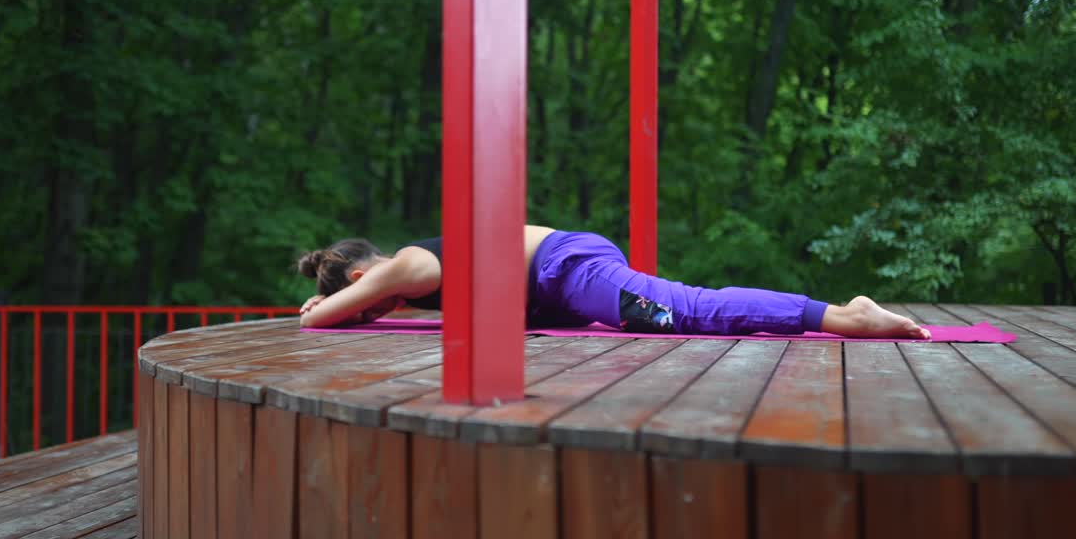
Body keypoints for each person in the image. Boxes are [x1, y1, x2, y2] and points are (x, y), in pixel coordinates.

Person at [297, 225, 931, 339]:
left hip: (565, 270)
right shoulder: (413, 284)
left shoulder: (406, 264)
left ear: (360, 276)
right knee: (684, 312)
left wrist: (329, 307)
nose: (375, 312)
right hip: (558, 290)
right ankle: (842, 312)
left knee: (690, 311)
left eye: (362, 299)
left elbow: (311, 322)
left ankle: (846, 314)